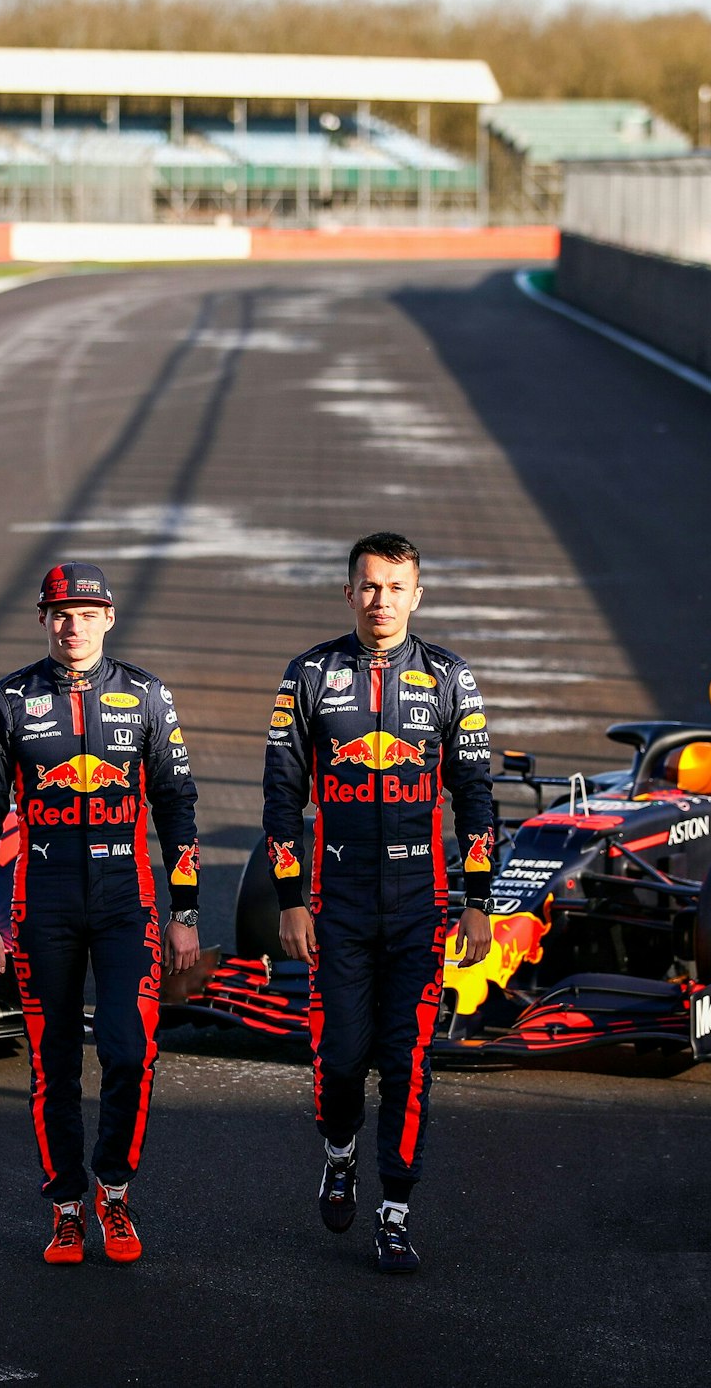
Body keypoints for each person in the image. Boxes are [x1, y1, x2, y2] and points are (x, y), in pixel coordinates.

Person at [264, 532, 495, 1274]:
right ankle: (339, 1153)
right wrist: (290, 899)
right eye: (368, 587)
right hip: (337, 905)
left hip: (422, 905)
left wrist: (478, 902)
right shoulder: (308, 674)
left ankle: (394, 1212)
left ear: (417, 595)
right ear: (348, 593)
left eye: (396, 588)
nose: (381, 601)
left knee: (409, 1062)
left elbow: (477, 796)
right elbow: (280, 796)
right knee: (339, 1058)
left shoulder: (451, 678)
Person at [0, 562, 201, 1266]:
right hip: (44, 899)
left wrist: (185, 909)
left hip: (129, 899)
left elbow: (177, 805)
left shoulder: (148, 696)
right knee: (52, 1063)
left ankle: (115, 1192)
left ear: (109, 617)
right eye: (60, 613)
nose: (73, 625)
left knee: (131, 1050)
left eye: (87, 612)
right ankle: (67, 1207)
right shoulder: (6, 700)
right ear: (43, 619)